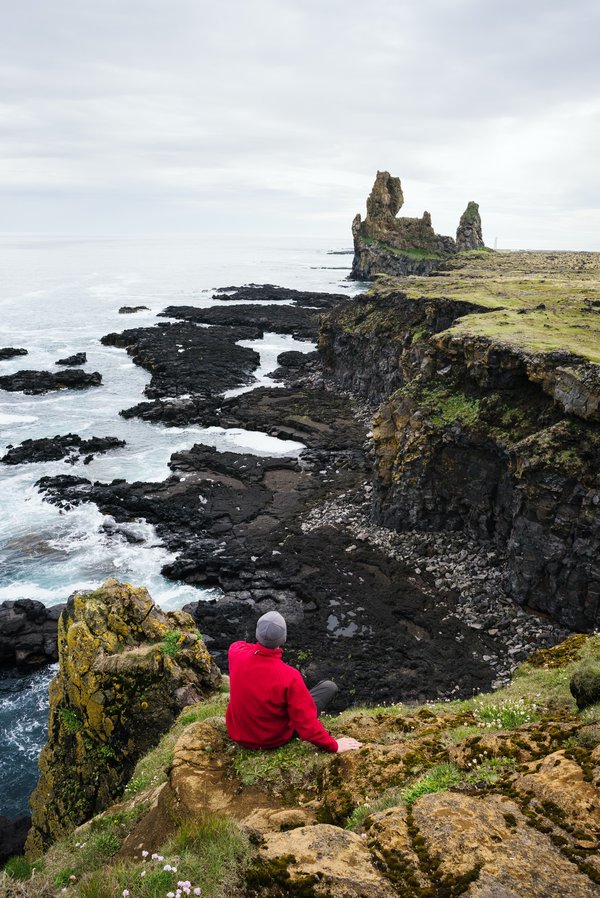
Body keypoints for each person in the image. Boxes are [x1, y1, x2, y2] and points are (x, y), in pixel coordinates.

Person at [225, 610, 362, 753]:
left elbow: (240, 644)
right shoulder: (289, 676)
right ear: (283, 639)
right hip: (272, 740)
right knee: (328, 687)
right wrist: (334, 745)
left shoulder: (236, 653)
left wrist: (260, 650)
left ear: (257, 633)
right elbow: (306, 725)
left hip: (239, 734)